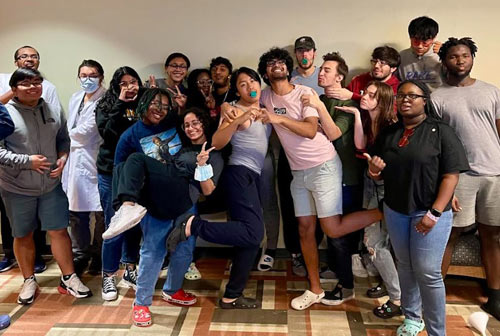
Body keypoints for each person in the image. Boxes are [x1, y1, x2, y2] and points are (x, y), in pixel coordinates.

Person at [256, 48, 381, 310]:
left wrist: (276, 117)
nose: (276, 66)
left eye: (281, 62)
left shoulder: (305, 93)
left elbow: (311, 130)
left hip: (323, 165)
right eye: (270, 63)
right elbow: (245, 100)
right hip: (297, 171)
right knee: (304, 229)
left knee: (332, 229)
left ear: (288, 68)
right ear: (265, 72)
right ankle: (314, 289)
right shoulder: (265, 95)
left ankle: (385, 212)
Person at [366, 79, 469, 335]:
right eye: (401, 96)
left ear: (425, 100)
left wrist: (434, 213)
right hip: (396, 210)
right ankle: (412, 318)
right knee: (405, 265)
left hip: (430, 212)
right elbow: (378, 172)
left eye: (412, 95)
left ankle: (437, 331)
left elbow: (451, 176)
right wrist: (373, 171)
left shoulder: (441, 131)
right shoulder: (390, 133)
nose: (405, 100)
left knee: (428, 272)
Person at [167, 67, 271, 309]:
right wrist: (237, 119)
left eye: (253, 81)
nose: (250, 86)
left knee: (251, 239)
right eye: (243, 84)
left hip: (253, 176)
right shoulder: (234, 110)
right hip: (238, 174)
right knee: (254, 233)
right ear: (236, 90)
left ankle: (232, 296)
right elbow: (216, 141)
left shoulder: (265, 107)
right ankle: (194, 225)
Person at [0, 68, 92, 305]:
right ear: (14, 88)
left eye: (37, 82)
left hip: (51, 185)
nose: (33, 87)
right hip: (17, 187)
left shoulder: (51, 108)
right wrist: (26, 162)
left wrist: (62, 158)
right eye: (26, 83)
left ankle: (69, 277)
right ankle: (29, 280)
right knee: (22, 234)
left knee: (59, 229)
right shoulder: (5, 113)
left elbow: (63, 138)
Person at [433, 37, 500, 320]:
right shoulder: (437, 97)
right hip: (459, 176)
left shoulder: (492, 91)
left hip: (494, 173)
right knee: (448, 235)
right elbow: (437, 145)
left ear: (472, 58)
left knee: (493, 235)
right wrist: (446, 182)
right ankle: (433, 294)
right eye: (453, 56)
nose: (460, 60)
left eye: (464, 55)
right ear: (445, 61)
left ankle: (495, 297)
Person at [334, 81, 402, 318]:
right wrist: (355, 113)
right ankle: (395, 292)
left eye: (371, 95)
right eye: (364, 93)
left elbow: (393, 163)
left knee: (375, 242)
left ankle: (397, 297)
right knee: (376, 241)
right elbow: (361, 146)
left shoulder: (392, 126)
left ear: (382, 101)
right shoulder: (371, 120)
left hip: (385, 186)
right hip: (371, 182)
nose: (364, 97)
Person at [0, 45, 61, 273]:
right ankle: (9, 255)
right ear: (16, 61)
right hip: (9, 163)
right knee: (11, 217)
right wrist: (15, 90)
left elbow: (54, 116)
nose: (29, 59)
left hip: (40, 164)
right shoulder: (4, 80)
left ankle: (36, 257)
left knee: (40, 216)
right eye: (24, 56)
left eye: (34, 56)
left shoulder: (48, 87)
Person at [95, 66, 144, 301]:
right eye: (124, 83)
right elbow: (107, 133)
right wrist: (120, 103)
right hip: (110, 172)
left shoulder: (144, 103)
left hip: (136, 174)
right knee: (114, 224)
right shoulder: (106, 104)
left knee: (133, 222)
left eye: (133, 81)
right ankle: (108, 275)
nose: (130, 86)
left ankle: (130, 268)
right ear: (116, 86)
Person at [62, 60, 106, 276]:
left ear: (101, 77)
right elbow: (72, 126)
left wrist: (63, 138)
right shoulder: (75, 98)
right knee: (76, 212)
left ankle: (99, 254)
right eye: (83, 75)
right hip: (74, 159)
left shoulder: (106, 99)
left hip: (94, 157)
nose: (88, 79)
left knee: (100, 212)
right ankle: (80, 254)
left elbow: (88, 131)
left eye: (93, 75)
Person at [327, 46, 400, 101]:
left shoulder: (397, 88)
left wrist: (353, 96)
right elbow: (344, 96)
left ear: (393, 68)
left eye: (382, 63)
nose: (376, 66)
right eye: (374, 61)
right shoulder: (359, 80)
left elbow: (386, 107)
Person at [397, 16, 443, 91]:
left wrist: (448, 54)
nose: (420, 46)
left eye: (425, 42)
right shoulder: (401, 57)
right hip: (410, 100)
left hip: (437, 100)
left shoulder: (441, 55)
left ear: (434, 38)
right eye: (416, 41)